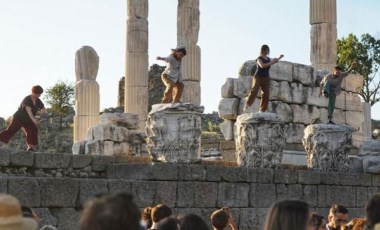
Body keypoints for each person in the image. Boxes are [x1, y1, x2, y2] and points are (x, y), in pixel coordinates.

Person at [0, 85, 45, 151]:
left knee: (33, 129)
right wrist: (34, 120)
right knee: (12, 129)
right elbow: (29, 111)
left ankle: (30, 147)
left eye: (40, 94)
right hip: (19, 117)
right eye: (39, 94)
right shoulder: (27, 99)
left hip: (28, 119)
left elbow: (43, 108)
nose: (40, 95)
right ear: (34, 92)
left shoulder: (38, 100)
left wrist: (42, 112)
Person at [244, 44, 283, 112]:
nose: (268, 52)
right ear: (263, 50)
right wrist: (271, 62)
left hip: (266, 77)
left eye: (268, 50)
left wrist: (279, 57)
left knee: (266, 94)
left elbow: (275, 61)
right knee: (254, 90)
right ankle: (247, 104)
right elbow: (262, 66)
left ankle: (262, 110)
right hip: (258, 76)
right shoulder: (259, 58)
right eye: (267, 50)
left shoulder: (268, 59)